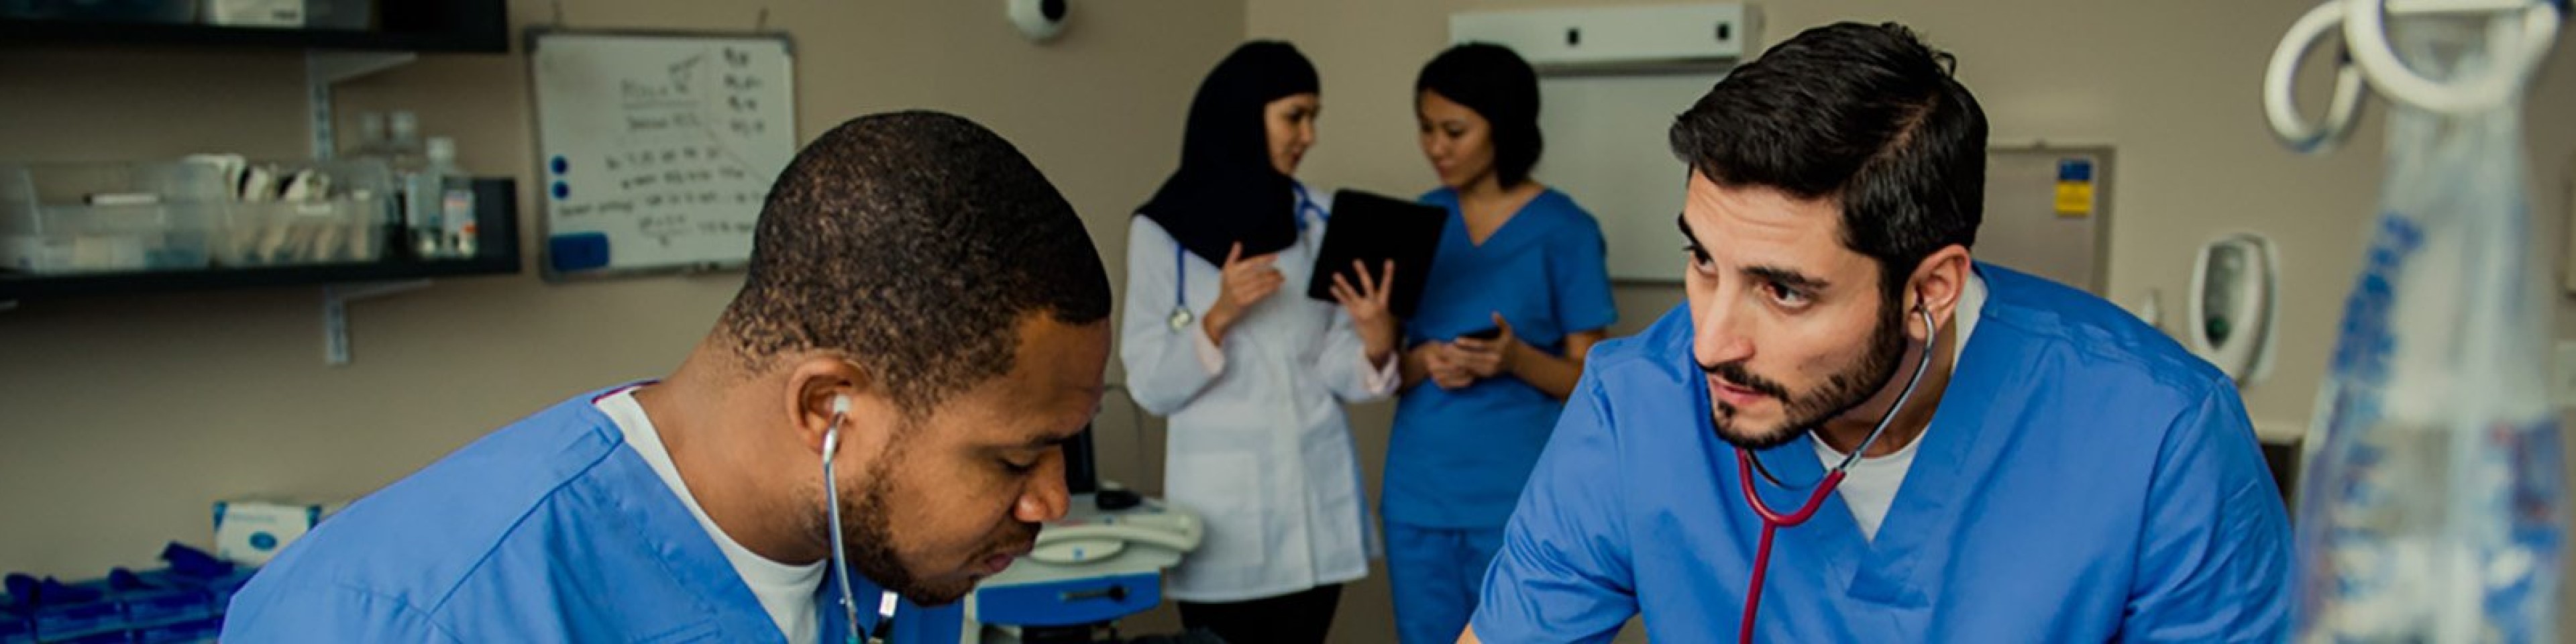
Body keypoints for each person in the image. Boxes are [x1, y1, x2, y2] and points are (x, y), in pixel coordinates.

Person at [1464, 23, 2290, 643]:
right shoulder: (1634, 404)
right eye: (1703, 260)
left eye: (1783, 290)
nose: (1710, 343)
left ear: (1930, 288)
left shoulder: (2158, 432)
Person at [221, 111, 1115, 644]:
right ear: (826, 408)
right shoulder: (404, 617)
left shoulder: (885, 562)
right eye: (1013, 461)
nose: (1052, 502)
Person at [1121, 40, 1399, 644]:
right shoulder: (1161, 231)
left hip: (1314, 505)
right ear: (1247, 117)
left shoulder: (1320, 218)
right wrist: (1218, 316)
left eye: (1313, 116)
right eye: (1295, 116)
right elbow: (1148, 384)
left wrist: (1376, 342)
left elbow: (1332, 362)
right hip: (1226, 518)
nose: (1310, 135)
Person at [1383, 43, 1615, 644]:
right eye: (1426, 129)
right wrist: (1422, 359)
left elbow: (1593, 380)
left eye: (1454, 131)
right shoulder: (1417, 221)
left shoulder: (1566, 231)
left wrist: (1514, 358)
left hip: (1516, 496)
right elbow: (1387, 372)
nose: (1436, 146)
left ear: (1503, 128)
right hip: (1419, 492)